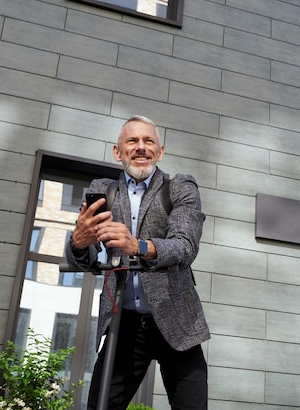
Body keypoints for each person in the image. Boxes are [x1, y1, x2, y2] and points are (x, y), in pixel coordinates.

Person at [65, 115, 210, 410]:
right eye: (132, 141)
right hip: (124, 324)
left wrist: (138, 245)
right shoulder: (104, 191)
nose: (141, 147)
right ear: (117, 152)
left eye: (148, 141)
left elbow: (185, 246)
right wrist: (78, 243)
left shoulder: (180, 188)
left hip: (177, 319)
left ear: (160, 151)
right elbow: (88, 261)